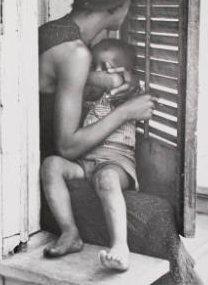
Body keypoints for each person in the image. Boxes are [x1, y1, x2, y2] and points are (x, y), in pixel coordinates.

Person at [38, 0, 203, 285]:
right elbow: (67, 146)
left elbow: (65, 83)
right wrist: (128, 109)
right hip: (54, 184)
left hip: (62, 170)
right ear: (119, 5)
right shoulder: (76, 54)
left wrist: (111, 79)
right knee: (156, 215)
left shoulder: (54, 33)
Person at [41, 38, 145, 271]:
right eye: (93, 66)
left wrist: (122, 77)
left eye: (105, 67)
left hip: (116, 162)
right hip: (84, 162)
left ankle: (120, 245)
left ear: (125, 71)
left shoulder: (127, 90)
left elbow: (136, 83)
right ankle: (70, 232)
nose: (98, 73)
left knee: (106, 180)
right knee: (51, 165)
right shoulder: (89, 92)